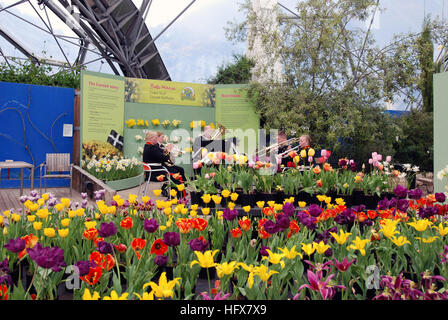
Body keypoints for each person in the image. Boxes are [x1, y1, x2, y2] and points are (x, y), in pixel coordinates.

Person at [143, 131, 186, 197]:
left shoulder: (149, 146)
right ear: (151, 138)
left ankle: (178, 195)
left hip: (155, 171)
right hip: (155, 174)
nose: (157, 139)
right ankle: (178, 196)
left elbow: (160, 152)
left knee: (175, 173)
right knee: (175, 176)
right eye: (155, 138)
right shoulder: (151, 148)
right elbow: (165, 158)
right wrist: (168, 150)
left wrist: (165, 150)